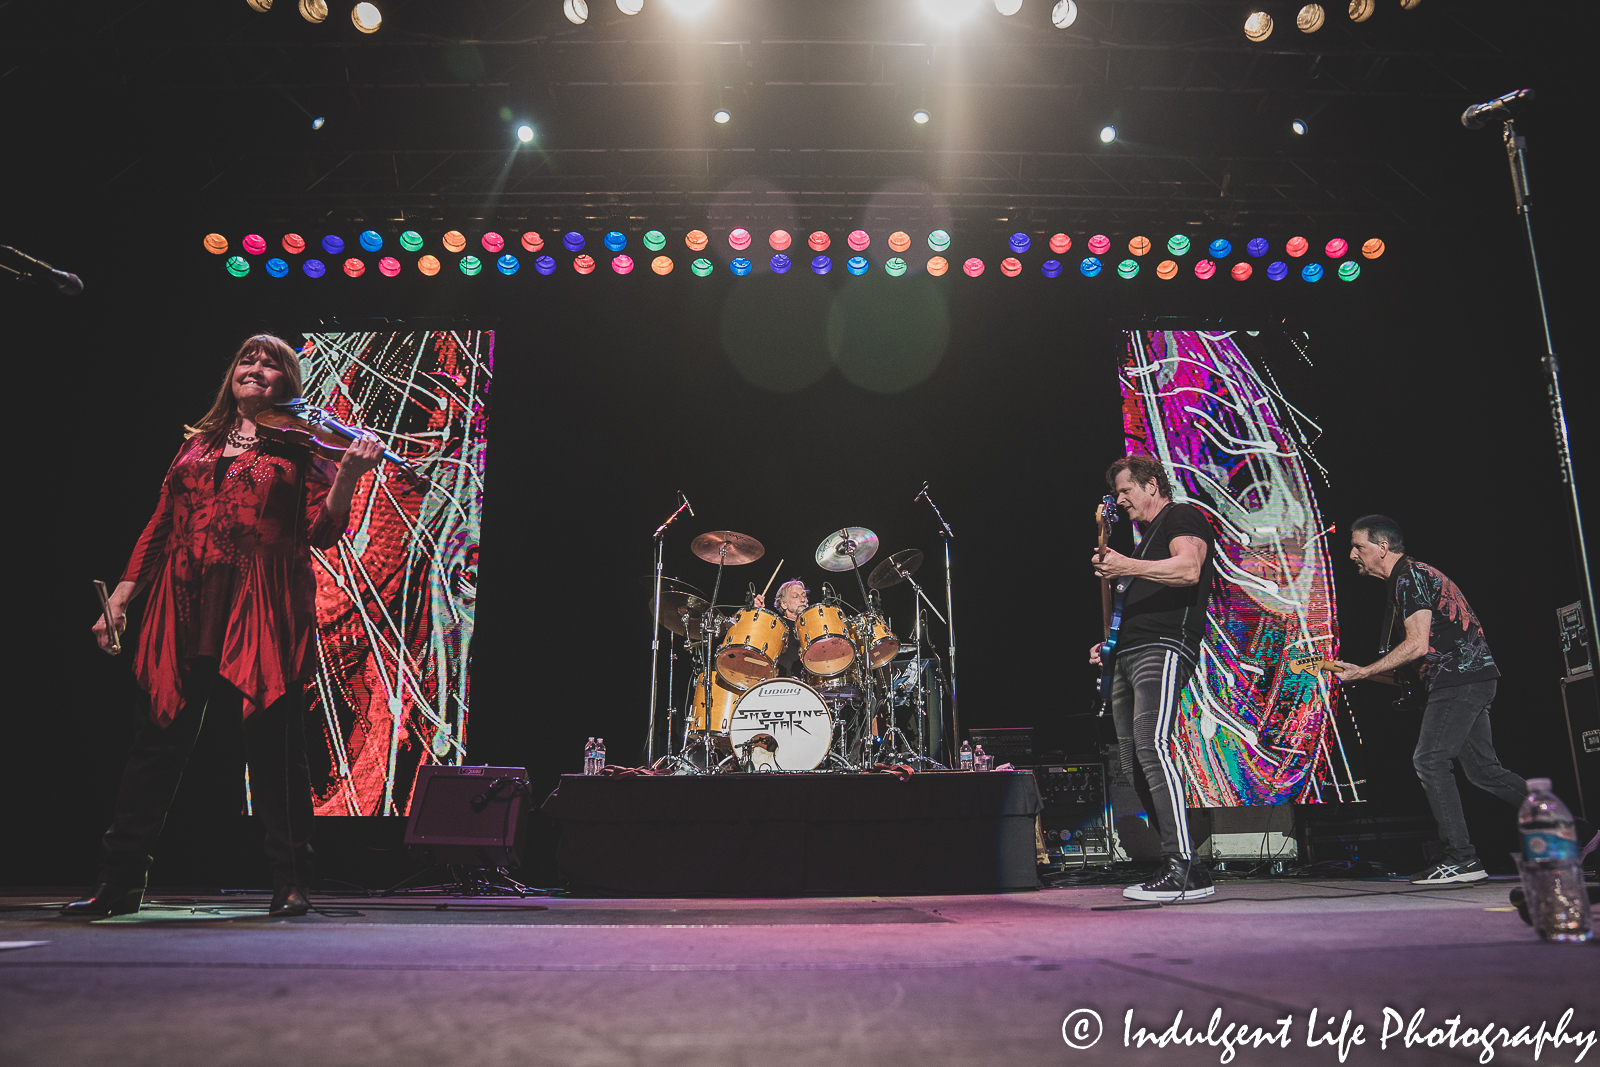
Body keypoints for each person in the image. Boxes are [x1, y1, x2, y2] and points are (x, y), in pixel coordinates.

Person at [69, 334, 384, 919]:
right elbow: (160, 525)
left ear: (288, 384)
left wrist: (346, 476)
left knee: (274, 751)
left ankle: (292, 882)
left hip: (262, 604)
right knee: (154, 747)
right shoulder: (196, 444)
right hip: (182, 603)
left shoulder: (300, 449)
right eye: (249, 359)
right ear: (232, 375)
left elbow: (323, 534)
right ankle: (118, 883)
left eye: (272, 364)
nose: (257, 368)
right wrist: (119, 598)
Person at [1330, 515, 1598, 882]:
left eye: (1358, 546)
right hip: (1470, 679)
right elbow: (1423, 657)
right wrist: (1362, 672)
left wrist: (1364, 671)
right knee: (1486, 771)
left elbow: (1416, 644)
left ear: (1382, 547)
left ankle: (1461, 858)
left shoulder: (1408, 577)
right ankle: (1582, 833)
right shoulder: (1412, 577)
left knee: (1429, 760)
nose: (1351, 554)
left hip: (1460, 682)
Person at [1089, 455, 1217, 902]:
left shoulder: (1181, 516)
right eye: (1118, 494)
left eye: (1127, 491)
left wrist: (1124, 566)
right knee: (1131, 760)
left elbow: (1188, 569)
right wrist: (1108, 644)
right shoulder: (1145, 543)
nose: (1122, 500)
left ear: (1152, 484)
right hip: (1129, 654)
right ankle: (1183, 865)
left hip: (1163, 648)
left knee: (1152, 745)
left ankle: (1183, 865)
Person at [754, 579, 809, 678]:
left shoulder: (812, 626)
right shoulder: (775, 625)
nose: (802, 600)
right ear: (783, 604)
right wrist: (758, 613)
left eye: (804, 596)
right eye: (796, 596)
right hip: (780, 683)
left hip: (810, 685)